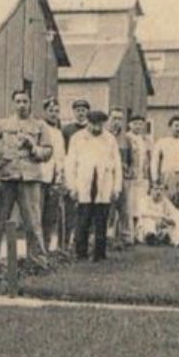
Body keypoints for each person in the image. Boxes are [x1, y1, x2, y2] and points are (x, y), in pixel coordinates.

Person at [0, 89, 55, 268]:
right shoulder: (3, 124)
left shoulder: (40, 126)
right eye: (18, 101)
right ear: (13, 103)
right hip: (7, 177)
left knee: (33, 222)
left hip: (30, 179)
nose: (22, 105)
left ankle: (37, 261)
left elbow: (48, 152)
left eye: (25, 101)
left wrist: (33, 148)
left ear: (30, 103)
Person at [66, 109, 123, 261]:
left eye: (100, 125)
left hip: (104, 183)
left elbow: (117, 165)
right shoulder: (77, 138)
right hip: (84, 183)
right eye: (94, 125)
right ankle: (81, 253)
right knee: (83, 219)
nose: (97, 129)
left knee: (101, 219)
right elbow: (70, 164)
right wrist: (72, 187)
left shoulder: (110, 139)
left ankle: (100, 253)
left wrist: (116, 188)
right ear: (88, 122)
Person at [153, 117, 179, 238]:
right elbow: (155, 161)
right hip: (167, 174)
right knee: (167, 202)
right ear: (170, 127)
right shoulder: (162, 142)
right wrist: (155, 177)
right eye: (176, 126)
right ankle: (165, 233)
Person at [41, 99, 73, 252]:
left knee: (51, 216)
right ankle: (37, 250)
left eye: (56, 111)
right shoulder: (40, 128)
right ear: (45, 111)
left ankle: (47, 248)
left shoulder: (59, 133)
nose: (54, 114)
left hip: (55, 179)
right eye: (51, 110)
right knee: (38, 215)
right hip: (41, 177)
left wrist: (61, 176)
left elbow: (61, 157)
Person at [107, 107, 137, 248]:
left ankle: (126, 236)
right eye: (114, 118)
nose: (116, 122)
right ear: (109, 119)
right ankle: (108, 236)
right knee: (108, 207)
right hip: (107, 177)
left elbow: (132, 160)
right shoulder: (104, 136)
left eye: (120, 119)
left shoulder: (126, 139)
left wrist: (130, 170)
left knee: (124, 207)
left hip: (123, 178)